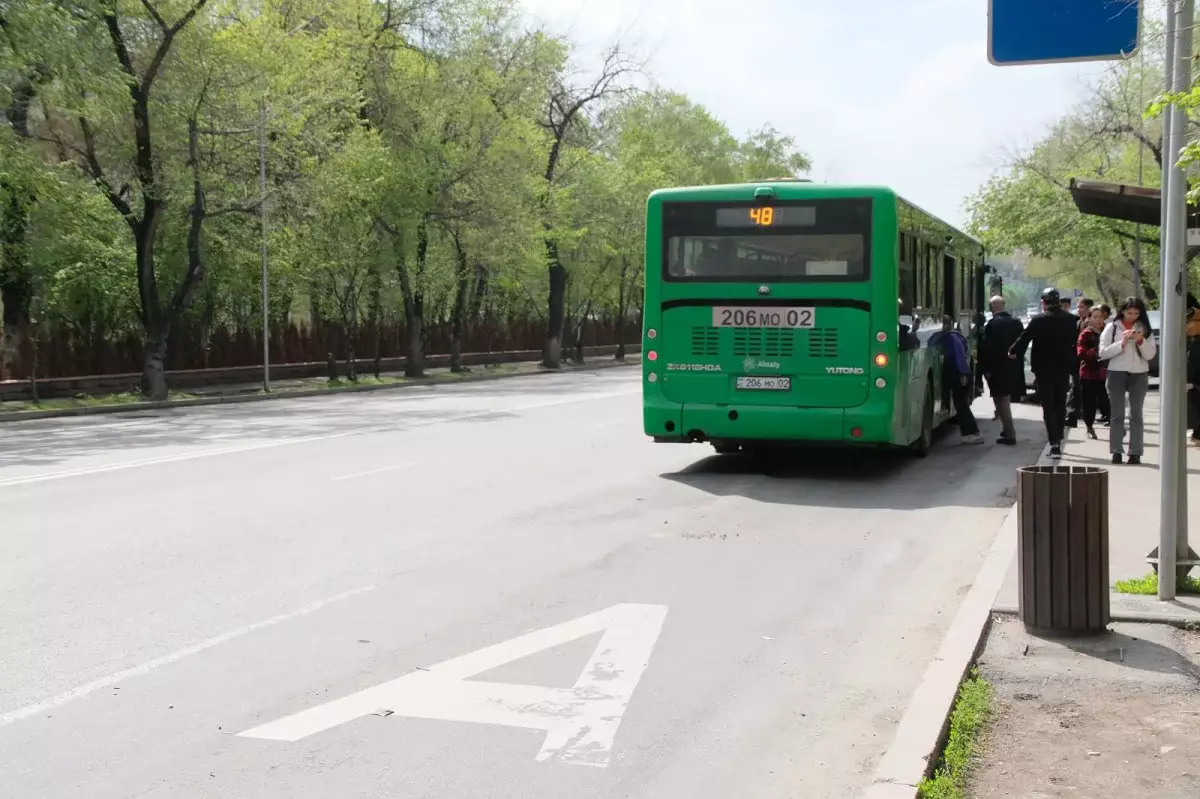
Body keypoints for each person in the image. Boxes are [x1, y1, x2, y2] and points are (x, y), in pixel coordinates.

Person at [1008, 287, 1079, 459]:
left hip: (1043, 368)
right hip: (1063, 367)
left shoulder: (1039, 320)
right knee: (1060, 402)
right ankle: (1059, 436)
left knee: (1048, 405)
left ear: (1043, 302)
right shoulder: (1072, 319)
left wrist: (1013, 352)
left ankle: (1054, 443)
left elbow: (1024, 338)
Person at [1099, 297, 1157, 465]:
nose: (1132, 316)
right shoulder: (1112, 327)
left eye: (1136, 313)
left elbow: (1150, 355)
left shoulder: (1144, 328)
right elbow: (1103, 352)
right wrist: (1122, 343)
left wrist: (1140, 340)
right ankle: (1116, 451)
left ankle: (1135, 452)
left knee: (1136, 414)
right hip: (1116, 372)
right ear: (1122, 311)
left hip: (1139, 373)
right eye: (1129, 312)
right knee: (1117, 414)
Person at [930, 316, 983, 445]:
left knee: (961, 405)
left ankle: (970, 433)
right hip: (956, 372)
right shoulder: (952, 336)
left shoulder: (952, 338)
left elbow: (960, 357)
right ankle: (970, 432)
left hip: (956, 372)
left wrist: (963, 374)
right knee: (961, 404)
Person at [979, 295, 1025, 445]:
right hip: (1014, 366)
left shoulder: (992, 325)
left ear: (991, 307)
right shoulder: (1016, 322)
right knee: (1003, 399)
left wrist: (985, 368)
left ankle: (1010, 434)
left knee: (1002, 399)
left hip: (997, 368)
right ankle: (1006, 430)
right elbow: (1022, 343)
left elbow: (986, 348)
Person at [1076, 306, 1107, 440]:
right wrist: (1096, 351)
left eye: (1100, 316)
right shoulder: (1085, 333)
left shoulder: (1107, 331)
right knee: (1089, 402)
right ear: (1089, 318)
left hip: (1104, 371)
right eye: (1095, 317)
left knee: (1105, 398)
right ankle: (1089, 426)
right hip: (1088, 371)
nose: (1098, 319)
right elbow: (1080, 352)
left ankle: (1113, 423)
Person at [1066, 297, 1094, 428]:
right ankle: (1074, 415)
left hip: (1084, 361)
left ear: (1088, 308)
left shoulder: (1090, 323)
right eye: (1078, 307)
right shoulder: (1079, 321)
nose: (1078, 309)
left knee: (1077, 388)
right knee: (1077, 388)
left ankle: (1072, 415)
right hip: (1076, 360)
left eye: (1081, 307)